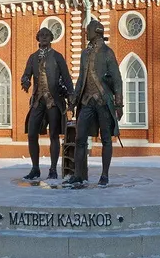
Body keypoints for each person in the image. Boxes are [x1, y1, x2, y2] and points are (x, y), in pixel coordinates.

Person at [65, 19, 123, 187]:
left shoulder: (107, 52)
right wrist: (74, 99)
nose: (85, 32)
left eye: (88, 29)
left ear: (96, 32)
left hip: (103, 101)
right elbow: (81, 79)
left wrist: (118, 104)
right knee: (80, 138)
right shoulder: (84, 53)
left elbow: (117, 79)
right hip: (86, 101)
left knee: (106, 139)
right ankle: (79, 174)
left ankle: (104, 175)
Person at [20, 27, 74, 180]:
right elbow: (26, 75)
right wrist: (25, 81)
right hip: (38, 101)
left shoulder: (57, 57)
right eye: (41, 35)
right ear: (38, 38)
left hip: (53, 101)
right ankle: (35, 168)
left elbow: (67, 78)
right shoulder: (33, 57)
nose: (43, 37)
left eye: (47, 35)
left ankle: (53, 169)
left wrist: (71, 96)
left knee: (54, 136)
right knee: (31, 134)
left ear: (51, 38)